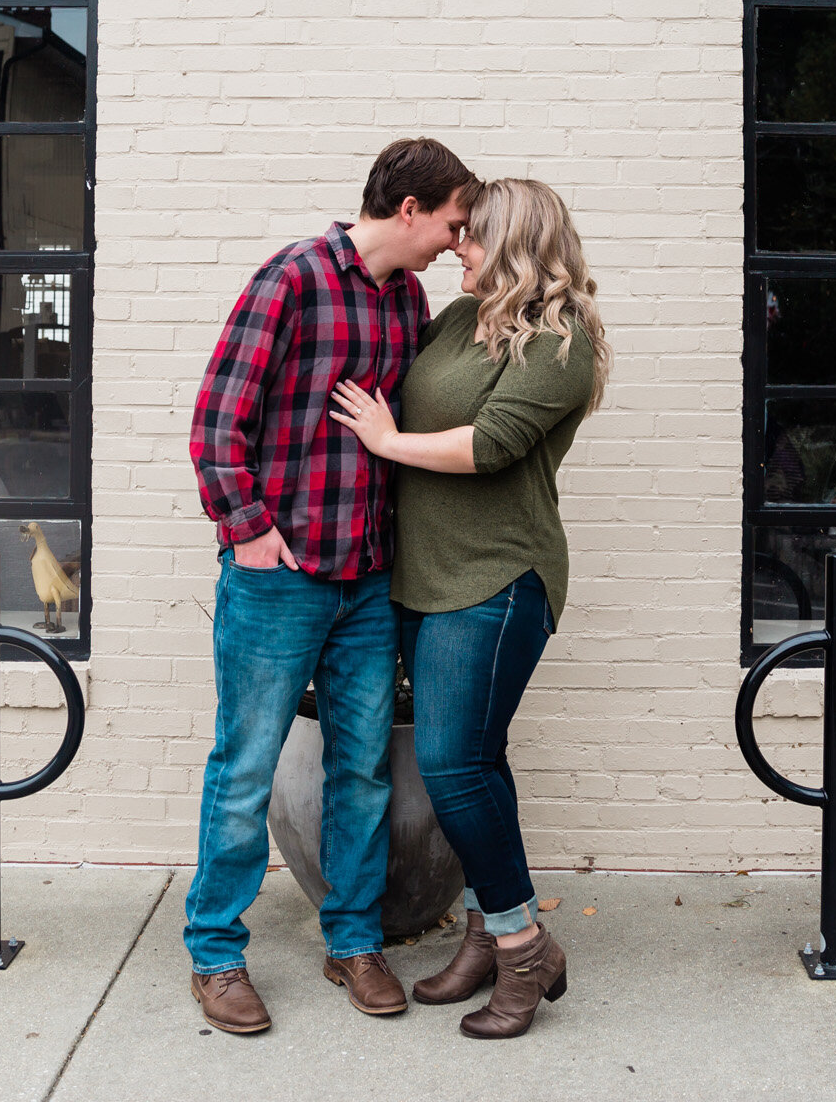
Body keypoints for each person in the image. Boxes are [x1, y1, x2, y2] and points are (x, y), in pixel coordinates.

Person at [183, 138, 479, 1036]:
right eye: (453, 222)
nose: (455, 240)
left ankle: (352, 940)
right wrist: (250, 532)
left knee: (361, 768)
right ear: (410, 210)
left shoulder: (410, 301)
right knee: (245, 767)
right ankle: (215, 955)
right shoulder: (294, 279)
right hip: (282, 578)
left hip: (367, 581)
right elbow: (215, 422)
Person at [328, 177, 609, 1040]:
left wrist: (386, 443)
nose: (458, 247)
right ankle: (489, 934)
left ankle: (525, 950)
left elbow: (489, 446)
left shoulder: (562, 342)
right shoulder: (460, 320)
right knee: (480, 762)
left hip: (497, 578)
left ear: (519, 243)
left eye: (474, 237)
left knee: (450, 766)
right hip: (427, 577)